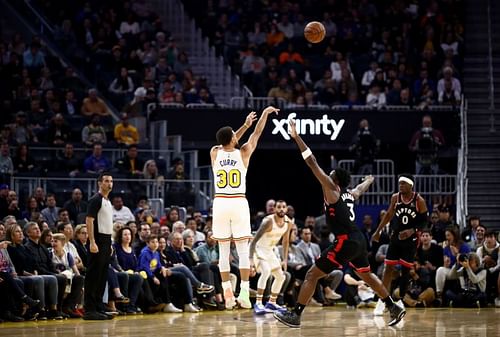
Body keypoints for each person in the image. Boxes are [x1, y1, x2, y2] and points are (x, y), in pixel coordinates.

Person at [274, 120, 405, 328]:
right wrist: (369, 181)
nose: (329, 173)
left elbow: (312, 162)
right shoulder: (349, 194)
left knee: (312, 274)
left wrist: (297, 137)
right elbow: (360, 189)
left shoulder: (332, 190)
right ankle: (394, 307)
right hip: (359, 240)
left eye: (331, 174)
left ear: (334, 180)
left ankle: (296, 315)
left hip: (346, 240)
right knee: (367, 275)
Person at [210, 106, 279, 309]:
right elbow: (257, 133)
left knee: (223, 251)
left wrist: (242, 127)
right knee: (242, 250)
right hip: (238, 201)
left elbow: (226, 142)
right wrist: (264, 114)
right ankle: (245, 294)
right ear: (233, 139)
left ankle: (228, 294)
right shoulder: (244, 152)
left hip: (220, 202)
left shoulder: (214, 152)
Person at [371, 174, 428, 315]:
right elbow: (389, 214)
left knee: (405, 271)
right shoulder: (395, 197)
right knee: (388, 268)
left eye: (403, 183)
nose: (400, 186)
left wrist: (412, 230)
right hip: (396, 237)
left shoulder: (419, 200)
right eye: (399, 183)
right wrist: (378, 231)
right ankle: (382, 300)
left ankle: (400, 299)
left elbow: (424, 221)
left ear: (411, 185)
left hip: (411, 240)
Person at [249, 199, 292, 314]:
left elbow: (286, 242)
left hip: (269, 250)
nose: (281, 209)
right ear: (274, 209)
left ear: (286, 209)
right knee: (266, 272)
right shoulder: (268, 221)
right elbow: (253, 241)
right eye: (279, 207)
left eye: (283, 207)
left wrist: (285, 260)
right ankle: (258, 303)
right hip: (258, 249)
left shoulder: (288, 222)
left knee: (281, 276)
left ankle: (272, 303)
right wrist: (250, 260)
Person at [83, 172, 115, 320]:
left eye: (111, 181)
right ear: (99, 183)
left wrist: (110, 243)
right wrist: (92, 241)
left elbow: (107, 223)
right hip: (97, 240)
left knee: (102, 276)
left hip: (106, 240)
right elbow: (89, 221)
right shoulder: (95, 200)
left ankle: (98, 307)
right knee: (93, 276)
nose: (109, 184)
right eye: (106, 181)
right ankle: (89, 310)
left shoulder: (107, 201)